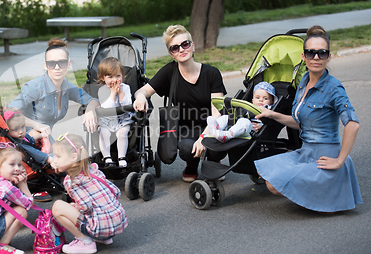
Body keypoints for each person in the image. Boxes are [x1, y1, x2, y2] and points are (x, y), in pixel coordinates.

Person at [254, 25, 362, 212]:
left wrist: (339, 161)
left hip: (325, 157)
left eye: (322, 53)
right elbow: (299, 123)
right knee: (263, 171)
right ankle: (312, 191)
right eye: (311, 53)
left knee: (273, 184)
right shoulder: (303, 82)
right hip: (305, 152)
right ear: (303, 57)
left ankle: (323, 193)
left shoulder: (334, 88)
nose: (316, 58)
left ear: (329, 56)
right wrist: (272, 114)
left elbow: (352, 124)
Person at [133, 25, 227, 182]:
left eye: (185, 44)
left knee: (217, 147)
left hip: (211, 125)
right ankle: (192, 164)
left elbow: (217, 112)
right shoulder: (170, 72)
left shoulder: (212, 73)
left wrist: (204, 136)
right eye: (175, 48)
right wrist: (141, 97)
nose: (182, 50)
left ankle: (213, 161)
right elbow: (141, 91)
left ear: (193, 45)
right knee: (186, 148)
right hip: (186, 129)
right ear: (172, 54)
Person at [50, 133, 128, 254]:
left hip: (101, 227)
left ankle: (85, 242)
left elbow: (85, 206)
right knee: (77, 207)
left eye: (58, 156)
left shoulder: (71, 181)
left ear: (73, 157)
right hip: (117, 222)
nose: (55, 160)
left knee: (58, 207)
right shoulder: (93, 169)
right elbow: (116, 192)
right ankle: (105, 238)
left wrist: (74, 207)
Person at [7, 37, 100, 138]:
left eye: (62, 63)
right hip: (25, 138)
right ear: (45, 66)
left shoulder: (67, 87)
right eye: (51, 63)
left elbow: (92, 100)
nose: (57, 67)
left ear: (69, 64)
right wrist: (36, 125)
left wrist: (90, 109)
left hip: (45, 137)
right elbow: (10, 112)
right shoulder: (35, 87)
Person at [4, 109, 53, 202]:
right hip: (32, 163)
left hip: (33, 157)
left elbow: (29, 141)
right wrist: (49, 159)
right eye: (16, 129)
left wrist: (39, 136)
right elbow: (32, 151)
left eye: (23, 127)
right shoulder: (16, 143)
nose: (21, 131)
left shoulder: (21, 137)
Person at [207, 81, 277, 143]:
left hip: (251, 128)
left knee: (244, 122)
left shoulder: (268, 109)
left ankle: (228, 135)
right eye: (258, 98)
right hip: (238, 123)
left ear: (272, 101)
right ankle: (216, 128)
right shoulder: (249, 106)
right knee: (226, 117)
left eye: (265, 98)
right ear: (253, 100)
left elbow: (270, 121)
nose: (261, 100)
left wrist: (261, 126)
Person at [96, 57, 134, 168]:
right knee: (103, 133)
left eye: (118, 76)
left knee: (122, 134)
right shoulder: (102, 90)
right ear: (103, 78)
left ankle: (121, 157)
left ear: (122, 76)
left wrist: (121, 92)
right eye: (110, 77)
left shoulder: (126, 88)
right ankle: (107, 157)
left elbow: (128, 104)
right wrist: (113, 94)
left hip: (123, 118)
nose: (115, 80)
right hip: (107, 119)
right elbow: (107, 107)